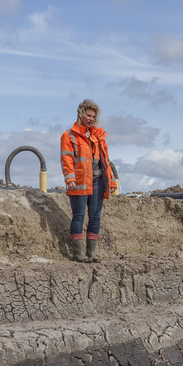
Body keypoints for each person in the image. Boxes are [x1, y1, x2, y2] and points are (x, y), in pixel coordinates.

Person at [60, 99, 118, 262]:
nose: (91, 118)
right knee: (78, 216)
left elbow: (105, 160)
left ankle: (91, 252)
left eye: (93, 116)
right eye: (88, 115)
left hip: (98, 181)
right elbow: (66, 158)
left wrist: (111, 180)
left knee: (95, 217)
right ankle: (78, 253)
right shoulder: (69, 135)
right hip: (79, 181)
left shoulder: (98, 136)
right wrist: (69, 177)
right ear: (81, 114)